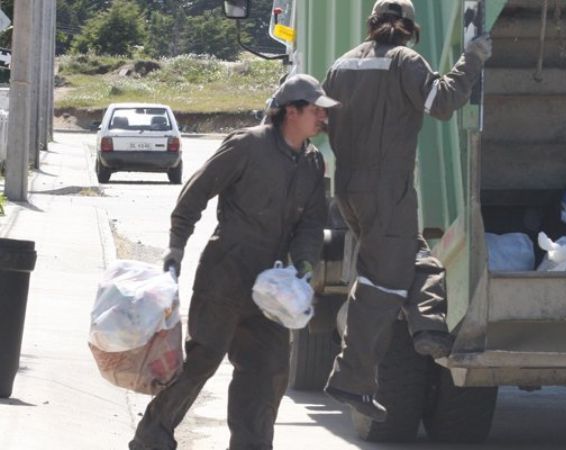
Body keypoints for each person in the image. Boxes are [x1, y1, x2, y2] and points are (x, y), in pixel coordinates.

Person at [129, 74, 339, 450]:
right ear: (291, 111)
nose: (323, 118)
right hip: (225, 275)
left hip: (272, 287)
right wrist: (176, 248)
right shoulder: (248, 146)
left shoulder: (311, 162)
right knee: (201, 360)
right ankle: (151, 438)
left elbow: (311, 223)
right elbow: (196, 194)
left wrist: (304, 266)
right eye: (316, 110)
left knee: (268, 370)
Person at [321, 0, 492, 422]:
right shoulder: (404, 61)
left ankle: (429, 329)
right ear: (411, 30)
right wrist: (473, 58)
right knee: (384, 285)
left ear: (371, 25)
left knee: (419, 260)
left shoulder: (341, 66)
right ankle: (350, 381)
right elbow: (443, 102)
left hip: (350, 191)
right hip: (387, 192)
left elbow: (323, 121)